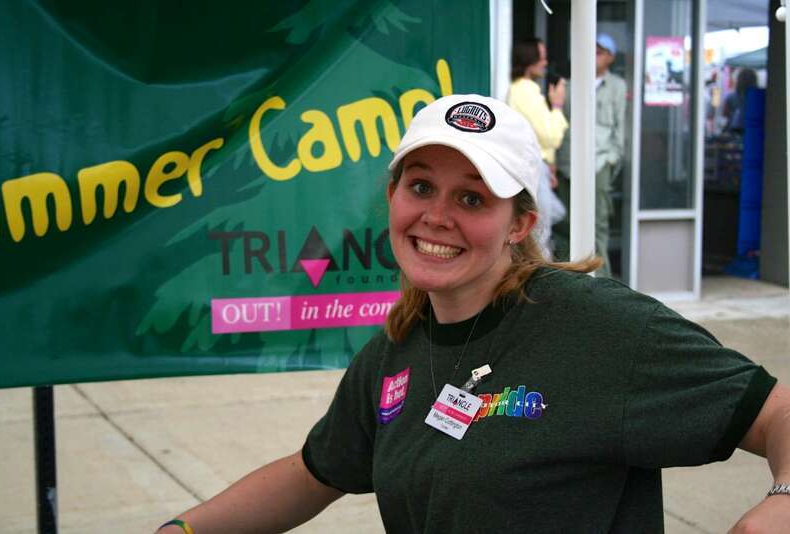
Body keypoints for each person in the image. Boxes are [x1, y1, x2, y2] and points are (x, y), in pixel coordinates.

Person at [158, 94, 790, 534]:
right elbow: (314, 472)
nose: (437, 216)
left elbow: (777, 412)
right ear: (393, 196)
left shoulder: (598, 326)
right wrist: (185, 527)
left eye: (472, 197)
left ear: (520, 224)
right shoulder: (398, 346)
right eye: (422, 186)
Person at [554, 33, 627, 278]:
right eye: (592, 50)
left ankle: (602, 286)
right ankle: (570, 280)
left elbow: (621, 126)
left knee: (597, 227)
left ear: (611, 58)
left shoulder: (617, 86)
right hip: (567, 163)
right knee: (566, 224)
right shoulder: (569, 84)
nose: (594, 55)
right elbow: (558, 122)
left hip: (599, 162)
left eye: (600, 51)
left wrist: (613, 158)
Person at [507, 37, 568, 257]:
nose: (545, 61)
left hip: (537, 165)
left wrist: (548, 163)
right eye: (540, 57)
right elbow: (551, 137)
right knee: (541, 231)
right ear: (528, 60)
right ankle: (543, 278)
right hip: (533, 167)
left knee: (553, 215)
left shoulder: (521, 89)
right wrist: (558, 105)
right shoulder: (525, 91)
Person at [722, 67, 758, 134]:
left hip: (734, 128)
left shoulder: (731, 96)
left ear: (738, 79)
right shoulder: (758, 97)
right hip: (753, 129)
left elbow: (725, 113)